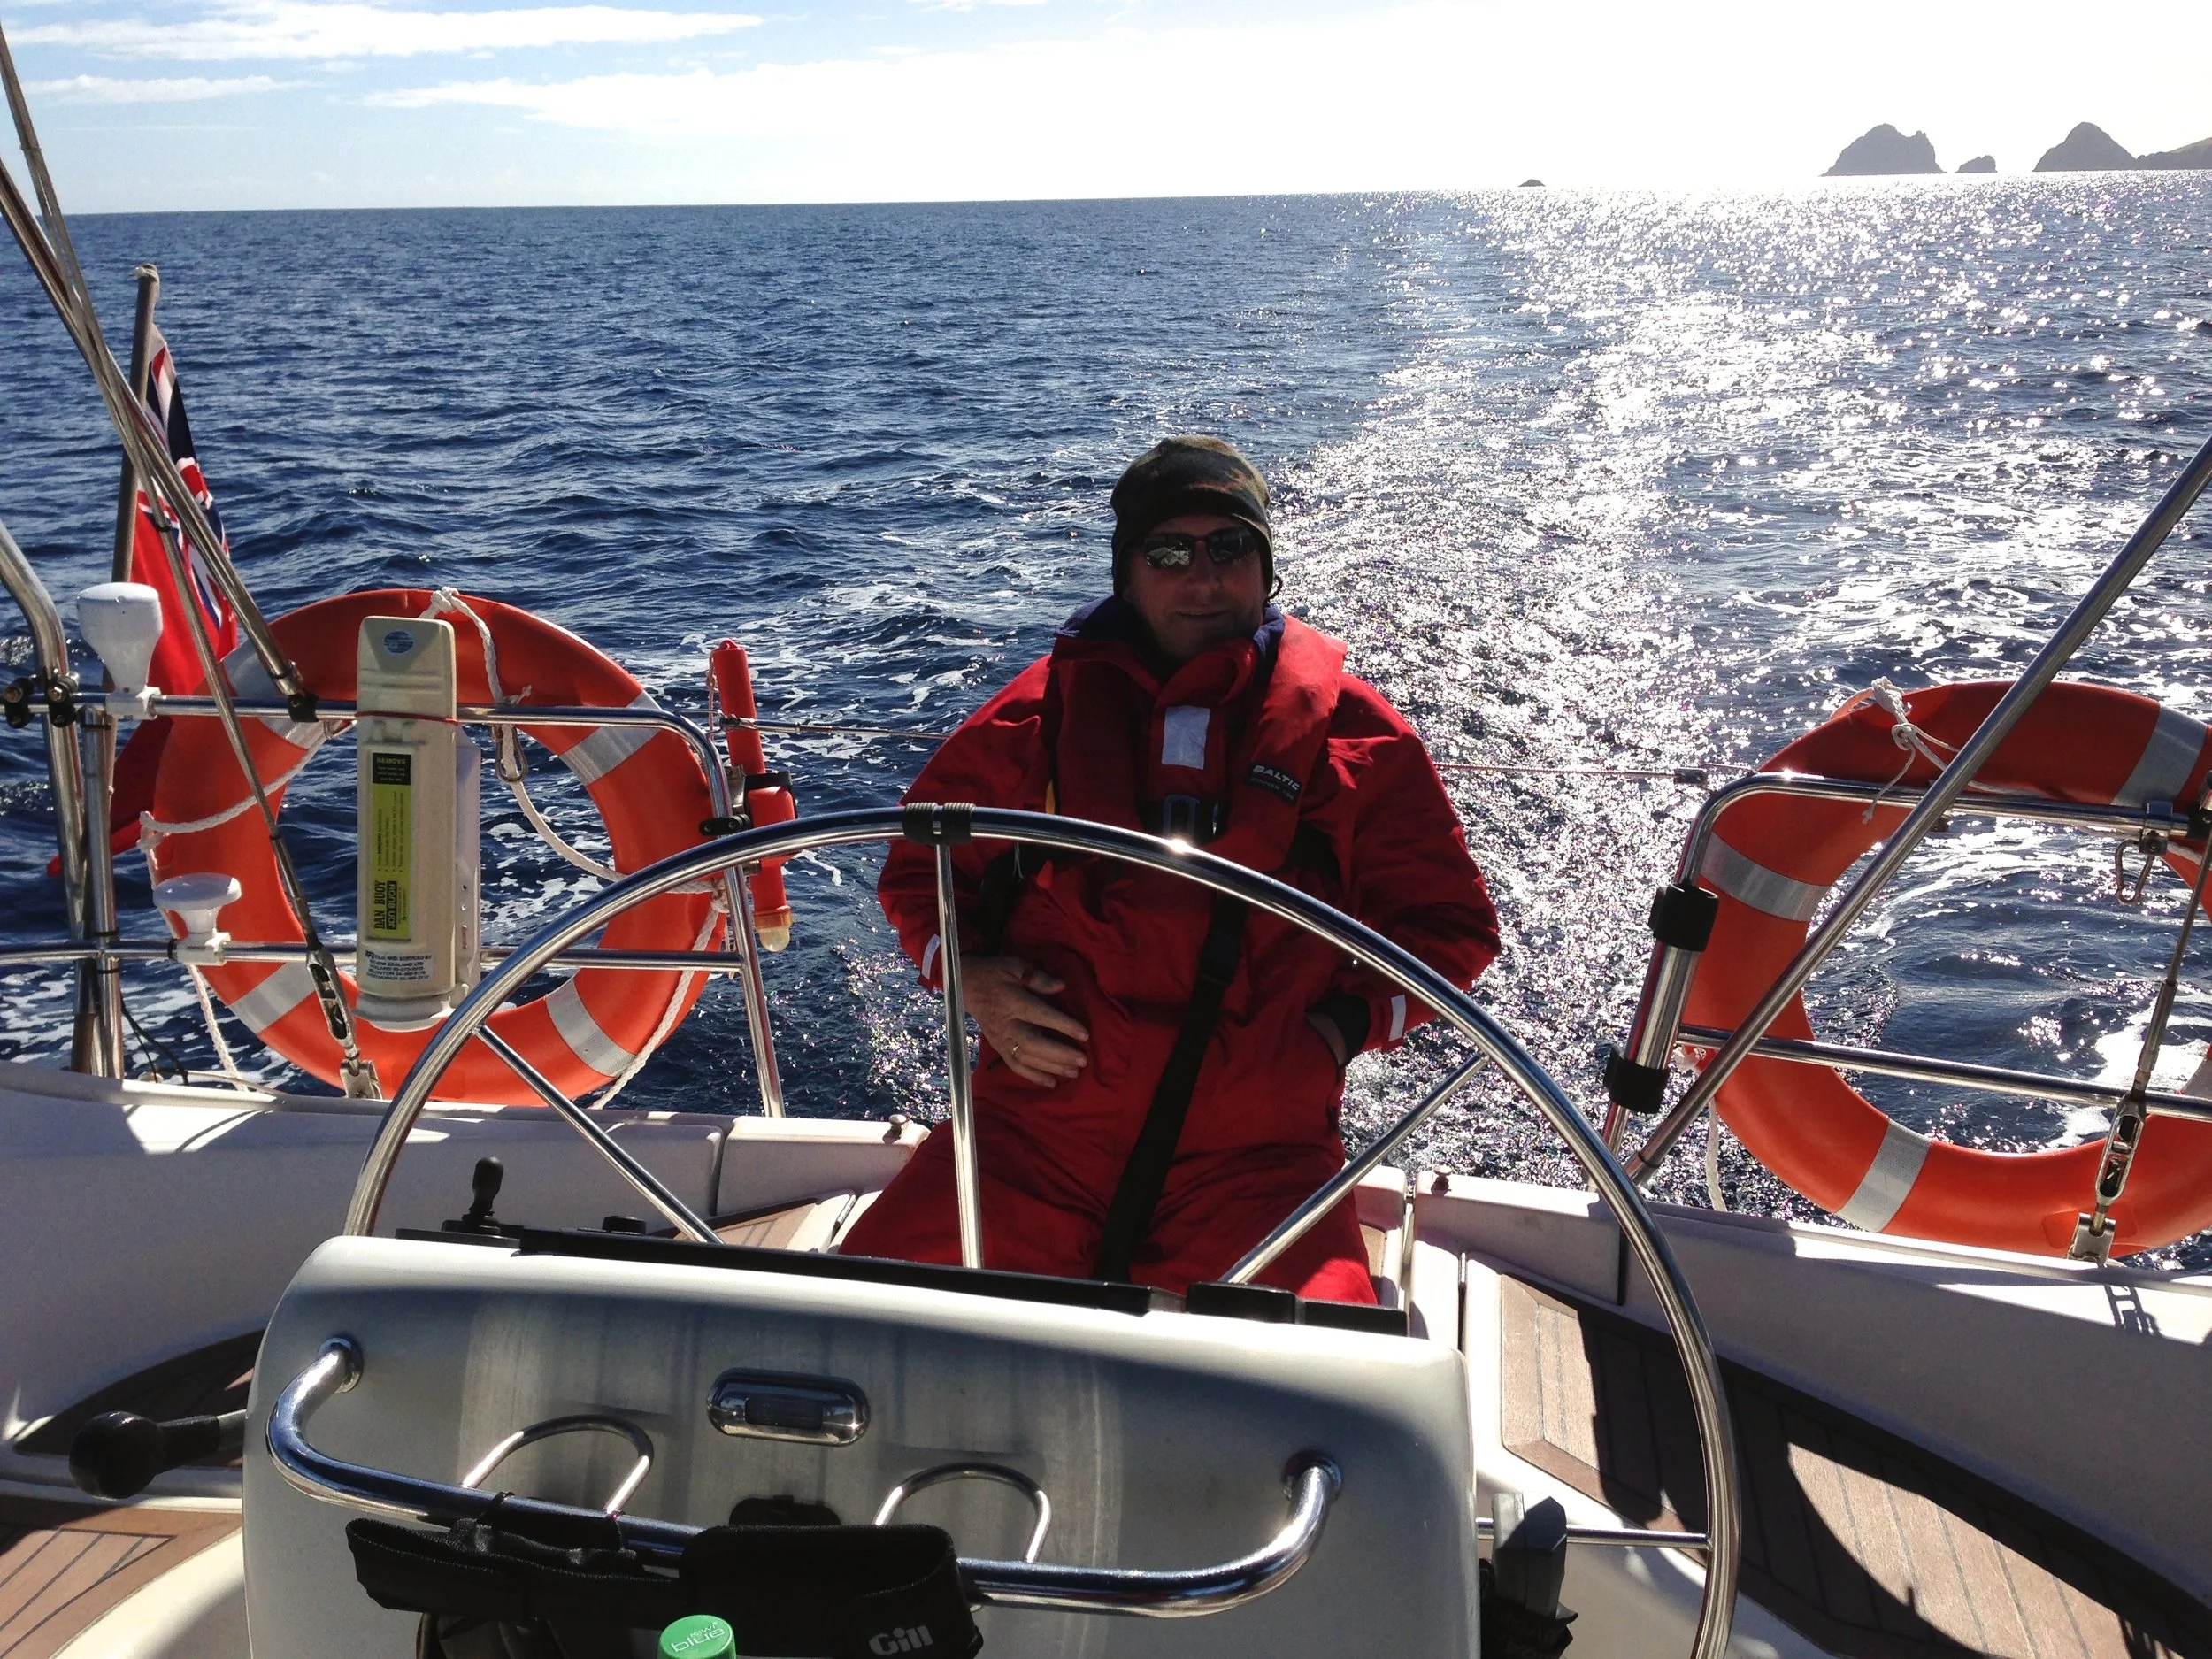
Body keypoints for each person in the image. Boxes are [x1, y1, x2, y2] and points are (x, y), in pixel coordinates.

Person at [840, 435, 1500, 1302]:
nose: (1203, 576)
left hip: (1257, 1164)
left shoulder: (1358, 738)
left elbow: (1452, 931)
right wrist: (965, 975)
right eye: (1168, 552)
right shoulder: (1032, 719)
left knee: (1312, 1396)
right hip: (1029, 1141)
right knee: (846, 1339)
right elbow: (917, 875)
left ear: (1265, 571)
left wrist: (1341, 1031)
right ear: (1126, 575)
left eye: (1230, 548)